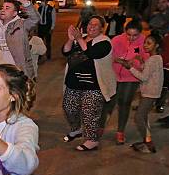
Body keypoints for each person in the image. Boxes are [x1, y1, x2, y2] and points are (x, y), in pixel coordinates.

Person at [62, 17, 116, 151]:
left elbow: (91, 53)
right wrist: (70, 38)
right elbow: (65, 51)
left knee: (89, 112)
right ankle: (77, 129)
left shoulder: (104, 42)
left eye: (96, 25)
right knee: (69, 108)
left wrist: (79, 38)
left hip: (93, 85)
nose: (92, 26)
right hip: (74, 82)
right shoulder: (81, 38)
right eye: (90, 23)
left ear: (102, 28)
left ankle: (92, 140)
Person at [101, 20, 148, 144]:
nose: (131, 38)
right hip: (114, 76)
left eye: (135, 35)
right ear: (124, 32)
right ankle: (100, 127)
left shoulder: (144, 42)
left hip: (131, 77)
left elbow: (145, 61)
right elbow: (108, 56)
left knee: (124, 103)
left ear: (140, 34)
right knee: (109, 102)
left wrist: (134, 62)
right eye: (129, 35)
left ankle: (120, 131)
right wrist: (117, 60)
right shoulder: (116, 40)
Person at [120, 34, 163, 153]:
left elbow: (144, 77)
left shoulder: (153, 60)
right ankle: (147, 140)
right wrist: (142, 62)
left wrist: (130, 68)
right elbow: (150, 72)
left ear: (157, 45)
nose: (145, 45)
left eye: (149, 43)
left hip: (150, 93)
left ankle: (149, 144)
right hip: (152, 92)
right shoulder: (157, 58)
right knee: (143, 117)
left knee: (139, 117)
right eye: (145, 42)